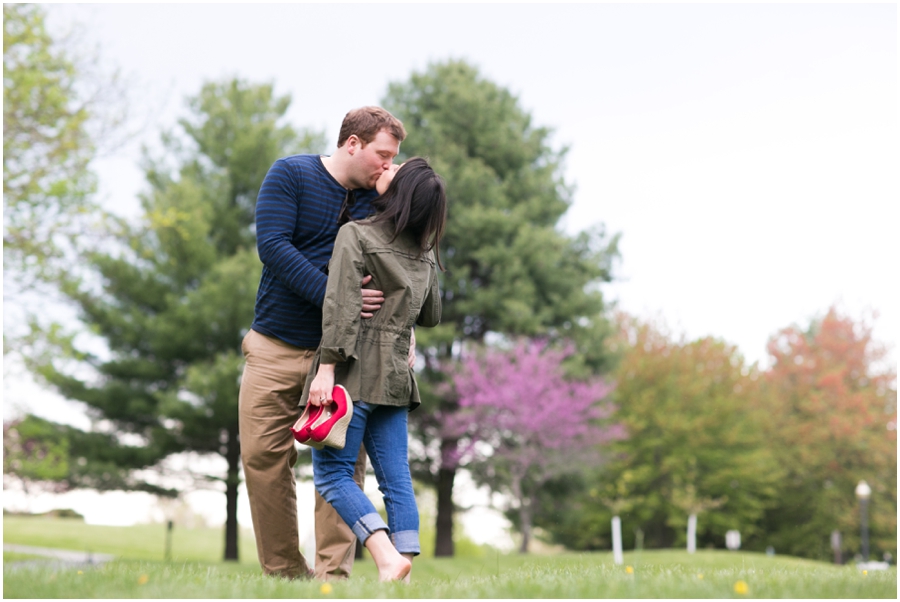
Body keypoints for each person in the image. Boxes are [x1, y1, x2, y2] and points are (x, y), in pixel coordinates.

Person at [238, 106, 411, 581]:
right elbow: (273, 247)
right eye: (382, 155)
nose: (387, 165)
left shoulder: (382, 202)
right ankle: (286, 577)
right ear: (352, 143)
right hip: (274, 345)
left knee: (340, 467)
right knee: (262, 458)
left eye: (394, 159)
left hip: (343, 355)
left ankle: (333, 579)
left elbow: (407, 271)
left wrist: (391, 200)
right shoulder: (291, 173)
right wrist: (340, 300)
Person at [303, 158, 447, 582]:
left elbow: (341, 309)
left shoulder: (356, 234)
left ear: (400, 193)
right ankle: (403, 571)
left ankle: (385, 556)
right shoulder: (423, 250)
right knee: (395, 476)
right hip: (398, 376)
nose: (389, 166)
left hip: (353, 370)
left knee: (331, 475)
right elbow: (432, 314)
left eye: (395, 169)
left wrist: (325, 370)